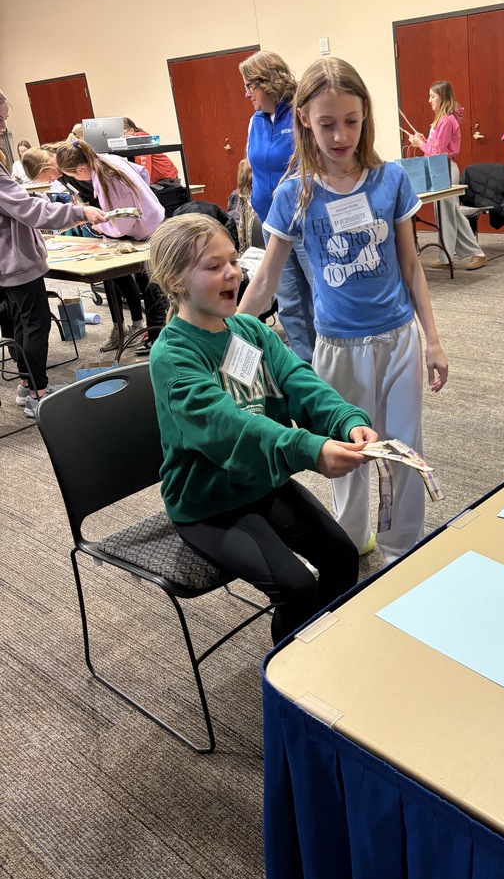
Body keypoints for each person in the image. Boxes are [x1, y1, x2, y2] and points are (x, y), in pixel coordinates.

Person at [238, 57, 449, 565]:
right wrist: (231, 336)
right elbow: (266, 277)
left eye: (351, 122)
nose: (340, 136)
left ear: (365, 117)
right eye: (327, 123)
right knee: (349, 454)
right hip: (337, 346)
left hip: (397, 338)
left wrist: (433, 339)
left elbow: (410, 265)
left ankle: (404, 546)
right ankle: (351, 544)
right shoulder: (295, 192)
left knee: (402, 448)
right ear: (305, 119)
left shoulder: (390, 180)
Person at [148, 213, 377, 644]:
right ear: (176, 281)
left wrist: (345, 421)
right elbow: (229, 430)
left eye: (233, 260)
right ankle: (287, 676)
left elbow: (299, 382)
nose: (233, 273)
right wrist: (309, 448)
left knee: (342, 557)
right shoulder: (173, 357)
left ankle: (322, 649)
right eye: (213, 266)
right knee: (297, 588)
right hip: (209, 502)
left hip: (260, 483)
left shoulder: (249, 330)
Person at [0, 138, 106, 417]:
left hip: (9, 263)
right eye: (1, 119)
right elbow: (30, 211)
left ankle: (28, 385)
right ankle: (38, 394)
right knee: (36, 324)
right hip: (16, 263)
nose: (3, 126)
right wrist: (79, 212)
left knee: (23, 323)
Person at [239, 50, 316, 362]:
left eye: (249, 86)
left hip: (307, 222)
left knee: (321, 297)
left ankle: (335, 367)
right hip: (272, 224)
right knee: (291, 304)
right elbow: (256, 169)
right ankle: (308, 371)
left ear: (267, 82)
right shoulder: (255, 122)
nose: (247, 94)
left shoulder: (301, 114)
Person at [56, 139, 167, 351]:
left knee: (150, 285)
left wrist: (102, 228)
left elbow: (123, 226)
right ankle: (154, 335)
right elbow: (142, 172)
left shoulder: (108, 181)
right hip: (151, 221)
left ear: (80, 170)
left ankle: (156, 338)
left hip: (146, 230)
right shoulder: (108, 161)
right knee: (151, 284)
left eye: (73, 176)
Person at [408, 81, 486, 271]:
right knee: (445, 214)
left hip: (445, 169)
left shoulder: (447, 120)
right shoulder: (442, 120)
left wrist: (420, 144)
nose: (429, 100)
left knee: (450, 214)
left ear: (442, 97)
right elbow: (435, 147)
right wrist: (424, 140)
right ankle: (446, 255)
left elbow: (436, 152)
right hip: (439, 170)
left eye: (432, 96)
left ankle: (476, 253)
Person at [122, 118, 179, 184]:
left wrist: (143, 184)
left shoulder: (140, 138)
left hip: (166, 178)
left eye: (123, 134)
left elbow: (144, 164)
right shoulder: (133, 143)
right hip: (162, 178)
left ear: (131, 131)